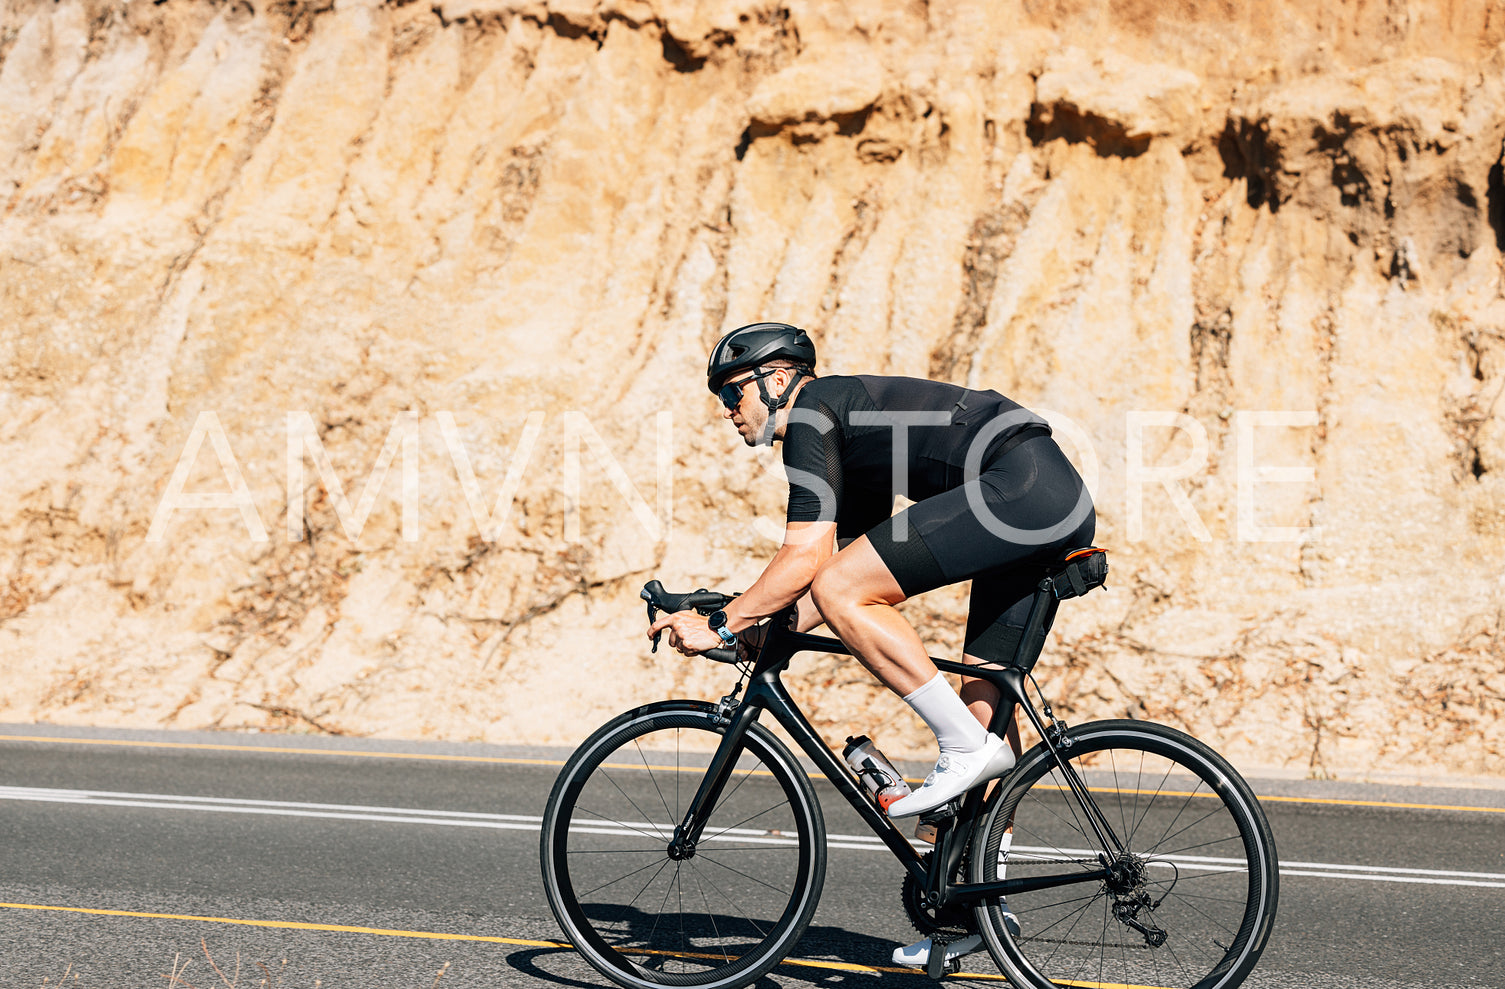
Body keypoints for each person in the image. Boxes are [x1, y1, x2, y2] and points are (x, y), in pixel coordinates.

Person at [647, 321, 1095, 967]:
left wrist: (721, 624)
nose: (726, 411)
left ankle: (964, 748)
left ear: (775, 380)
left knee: (851, 596)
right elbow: (827, 572)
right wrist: (756, 632)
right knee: (983, 686)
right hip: (1044, 495)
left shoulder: (811, 415)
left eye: (730, 394)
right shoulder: (850, 438)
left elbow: (810, 562)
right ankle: (979, 908)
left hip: (1018, 488)